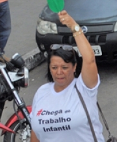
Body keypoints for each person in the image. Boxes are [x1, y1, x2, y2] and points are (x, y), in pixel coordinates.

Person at [30, 10, 103, 142]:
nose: (59, 72)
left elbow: (89, 59)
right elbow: (35, 133)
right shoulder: (41, 92)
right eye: (54, 67)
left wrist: (74, 27)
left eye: (64, 67)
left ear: (74, 67)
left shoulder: (84, 88)